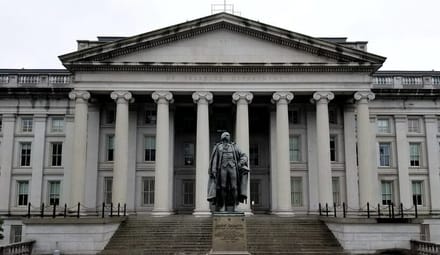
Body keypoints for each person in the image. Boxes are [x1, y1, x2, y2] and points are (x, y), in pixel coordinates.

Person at [207, 132, 249, 212]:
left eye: (228, 135)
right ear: (222, 137)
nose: (226, 136)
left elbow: (244, 156)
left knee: (234, 187)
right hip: (222, 168)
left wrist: (240, 163)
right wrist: (213, 170)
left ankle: (236, 205)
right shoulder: (218, 147)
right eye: (225, 135)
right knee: (223, 187)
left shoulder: (234, 147)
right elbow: (215, 159)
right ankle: (223, 205)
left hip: (233, 168)